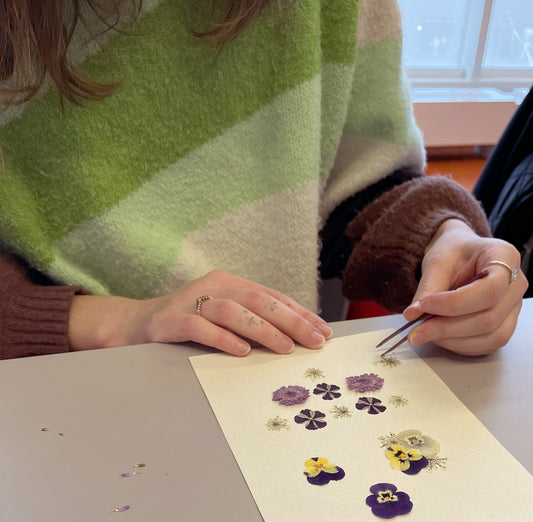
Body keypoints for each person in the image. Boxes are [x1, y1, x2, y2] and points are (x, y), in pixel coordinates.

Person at [0, 0, 527, 360]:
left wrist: (445, 239)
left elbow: (362, 187)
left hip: (272, 388)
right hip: (61, 393)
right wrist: (122, 320)